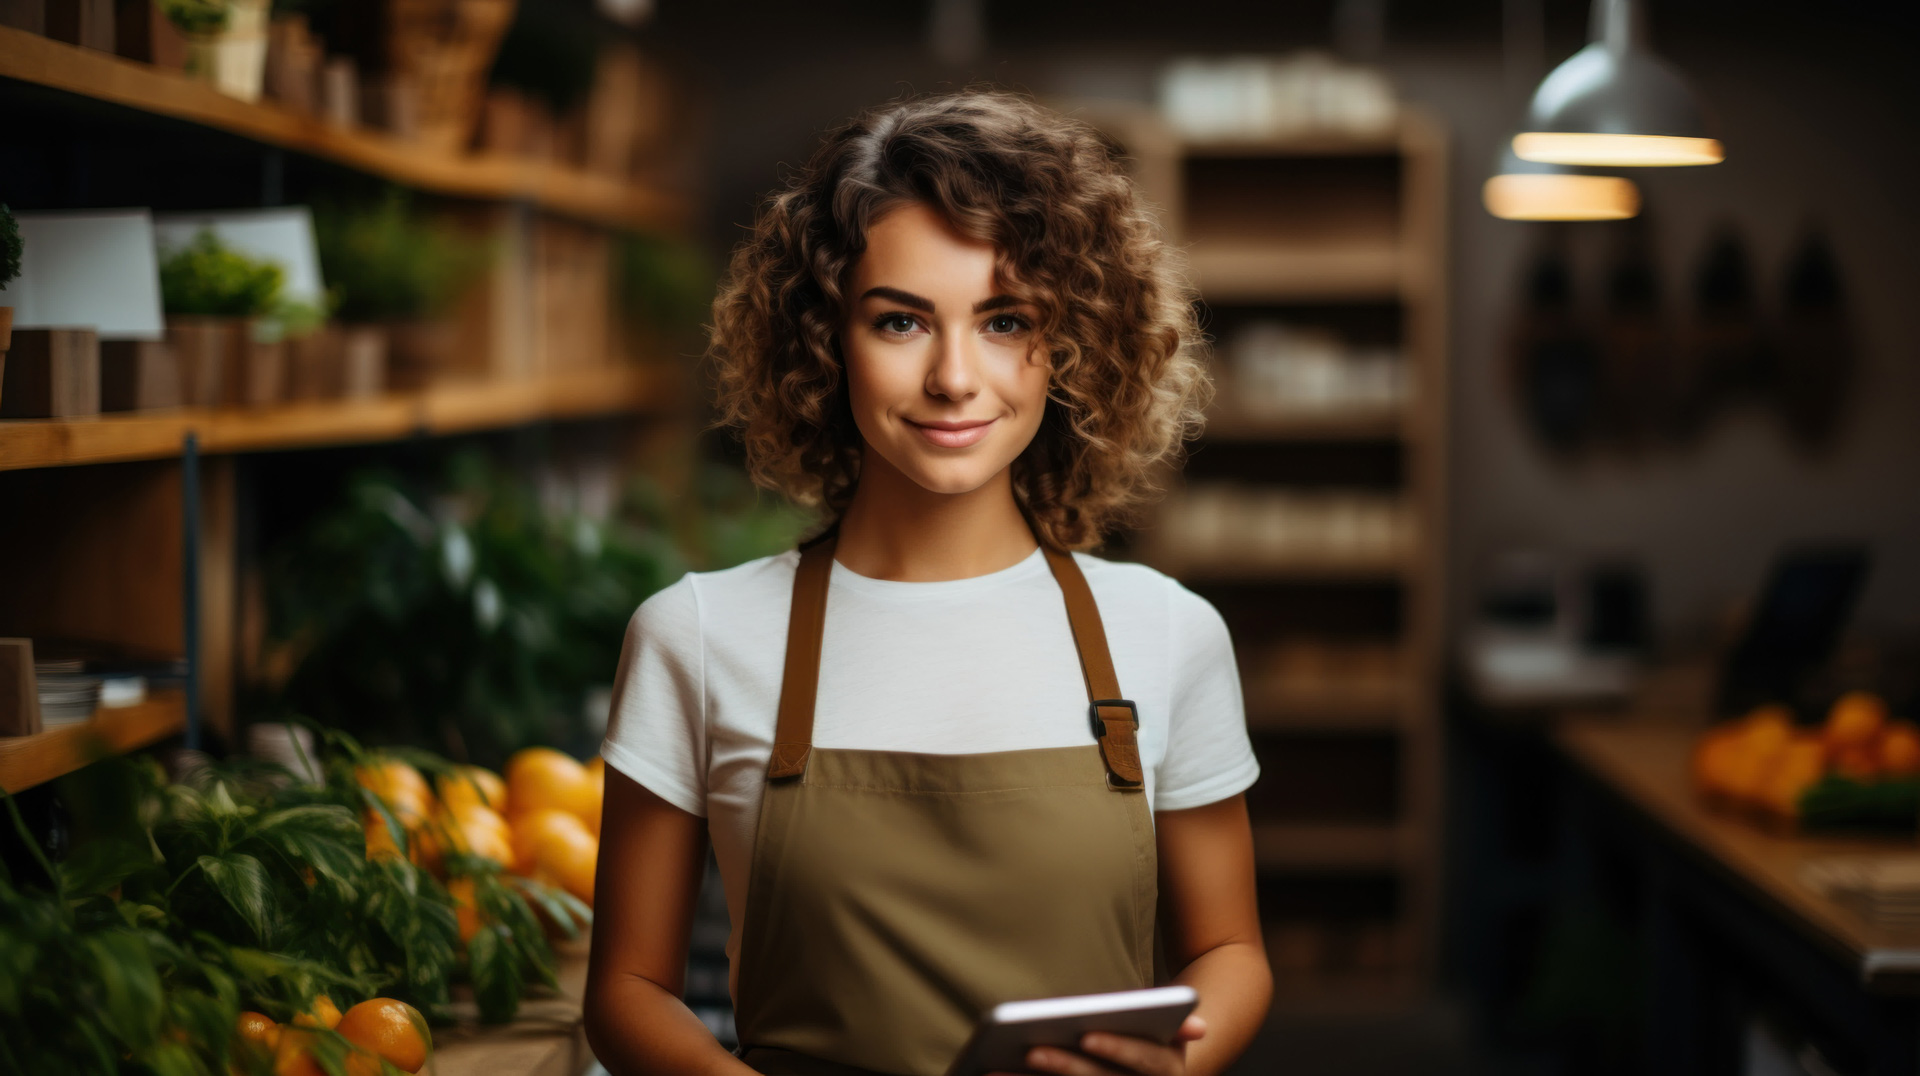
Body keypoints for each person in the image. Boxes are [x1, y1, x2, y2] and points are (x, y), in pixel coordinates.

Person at [585, 91, 1270, 1076]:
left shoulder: (1165, 634)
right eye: (902, 321)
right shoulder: (697, 634)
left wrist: (1174, 1065)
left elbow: (1232, 952)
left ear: (1073, 345)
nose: (955, 377)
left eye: (1005, 320)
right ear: (823, 342)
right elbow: (625, 989)